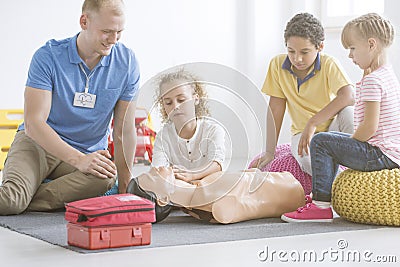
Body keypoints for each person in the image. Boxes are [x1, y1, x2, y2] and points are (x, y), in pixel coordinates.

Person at [0, 0, 140, 215]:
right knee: (10, 201)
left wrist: (125, 191)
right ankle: (21, 197)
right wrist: (79, 160)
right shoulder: (47, 56)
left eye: (119, 32)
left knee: (105, 177)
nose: (113, 40)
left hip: (87, 150)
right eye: (107, 31)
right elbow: (34, 123)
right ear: (84, 21)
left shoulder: (127, 62)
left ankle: (28, 197)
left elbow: (124, 130)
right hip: (38, 145)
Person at [281, 13, 400, 222]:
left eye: (353, 49)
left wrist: (348, 145)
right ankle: (321, 197)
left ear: (371, 44)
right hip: (392, 152)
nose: (350, 56)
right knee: (333, 140)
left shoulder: (373, 81)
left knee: (321, 141)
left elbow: (369, 128)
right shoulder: (387, 74)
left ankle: (320, 205)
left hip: (380, 154)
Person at [250, 13, 354, 176]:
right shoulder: (277, 65)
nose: (297, 59)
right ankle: (338, 184)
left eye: (304, 52)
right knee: (308, 162)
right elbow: (276, 109)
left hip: (332, 129)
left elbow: (348, 96)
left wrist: (312, 123)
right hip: (302, 135)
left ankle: (356, 166)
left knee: (349, 113)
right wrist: (269, 151)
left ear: (320, 47)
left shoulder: (329, 64)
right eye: (291, 51)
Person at [127, 69, 226, 222]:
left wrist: (193, 176)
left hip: (208, 182)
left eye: (181, 100)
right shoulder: (163, 136)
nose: (175, 106)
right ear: (163, 106)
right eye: (168, 102)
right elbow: (158, 170)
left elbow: (217, 164)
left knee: (217, 180)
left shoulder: (213, 130)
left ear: (195, 98)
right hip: (179, 187)